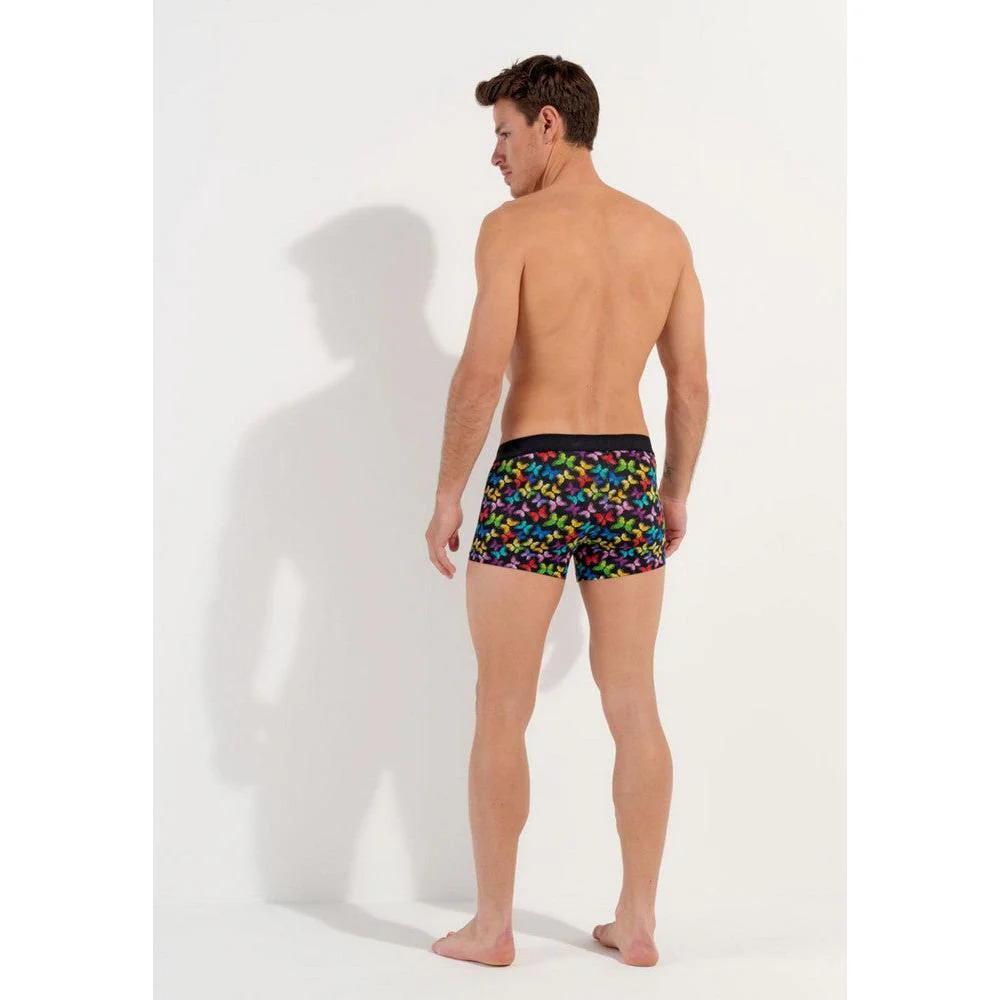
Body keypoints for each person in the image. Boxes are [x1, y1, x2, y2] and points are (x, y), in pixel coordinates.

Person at [425, 54, 709, 967]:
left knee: (500, 706)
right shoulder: (663, 236)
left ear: (549, 124)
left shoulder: (513, 229)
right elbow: (690, 387)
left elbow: (481, 374)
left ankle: (492, 926)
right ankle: (638, 920)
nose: (495, 155)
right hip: (625, 474)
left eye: (504, 132)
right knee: (634, 702)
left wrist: (447, 492)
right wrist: (673, 492)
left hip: (536, 471)